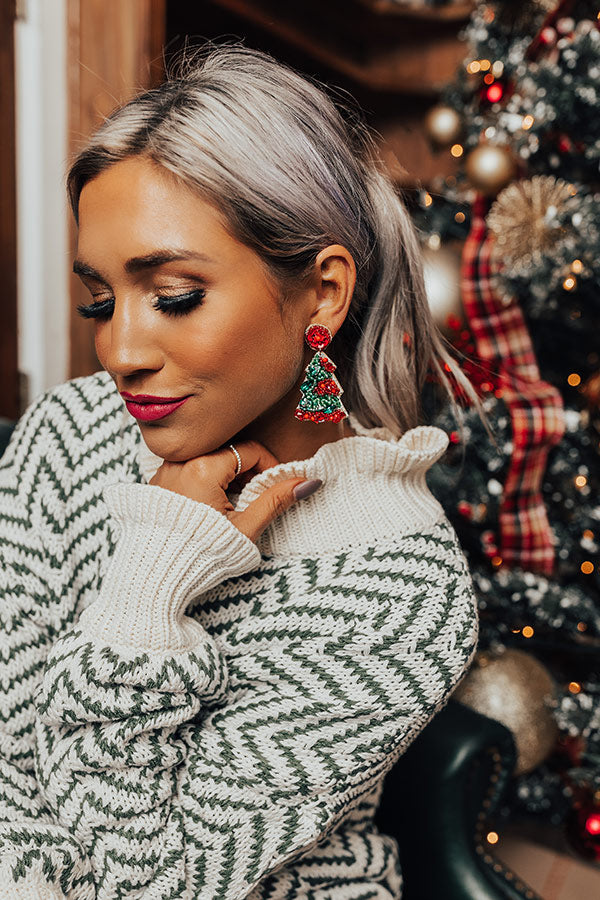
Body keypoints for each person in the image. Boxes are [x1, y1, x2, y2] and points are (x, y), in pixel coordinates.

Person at [0, 42, 479, 900]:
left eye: (176, 295)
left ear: (323, 292)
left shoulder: (403, 588)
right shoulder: (71, 432)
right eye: (100, 301)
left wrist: (151, 583)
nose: (119, 350)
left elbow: (152, 882)